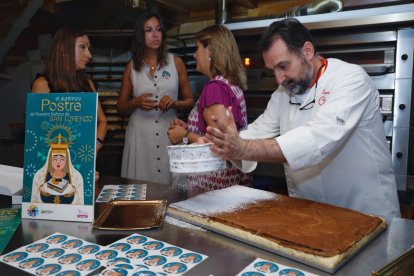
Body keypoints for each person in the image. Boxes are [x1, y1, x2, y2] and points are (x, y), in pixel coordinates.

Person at [204, 18, 400, 218]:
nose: (279, 79)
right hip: (311, 213)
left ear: (307, 51)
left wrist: (242, 147)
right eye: (273, 70)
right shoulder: (283, 93)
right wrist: (219, 141)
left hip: (364, 210)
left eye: (283, 66)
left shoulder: (350, 79)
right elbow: (257, 132)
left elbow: (317, 138)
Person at [167, 25, 252, 194]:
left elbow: (221, 143)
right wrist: (189, 127)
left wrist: (183, 135)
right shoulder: (230, 84)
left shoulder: (215, 88)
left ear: (210, 50)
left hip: (214, 187)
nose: (194, 54)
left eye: (197, 48)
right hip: (230, 184)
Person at [117, 11, 194, 184]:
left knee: (172, 188)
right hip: (140, 136)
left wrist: (176, 103)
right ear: (140, 35)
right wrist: (136, 102)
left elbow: (190, 101)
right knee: (139, 189)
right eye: (149, 30)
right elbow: (120, 107)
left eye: (158, 30)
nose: (155, 35)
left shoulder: (176, 62)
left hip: (170, 134)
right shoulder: (131, 67)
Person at [31, 26, 107, 180]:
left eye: (89, 48)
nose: (89, 54)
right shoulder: (42, 85)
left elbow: (102, 121)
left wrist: (94, 149)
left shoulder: (88, 84)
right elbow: (38, 135)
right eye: (82, 47)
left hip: (85, 165)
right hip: (52, 170)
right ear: (64, 49)